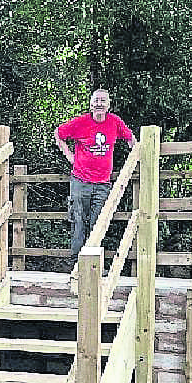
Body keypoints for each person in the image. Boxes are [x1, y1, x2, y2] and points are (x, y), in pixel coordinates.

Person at [55, 88, 136, 258]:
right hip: (80, 180)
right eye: (96, 101)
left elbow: (130, 138)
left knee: (98, 223)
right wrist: (70, 156)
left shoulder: (114, 122)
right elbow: (59, 133)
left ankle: (93, 264)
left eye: (103, 101)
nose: (99, 104)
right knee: (78, 220)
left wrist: (135, 154)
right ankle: (77, 263)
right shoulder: (81, 122)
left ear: (108, 105)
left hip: (102, 183)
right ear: (91, 104)